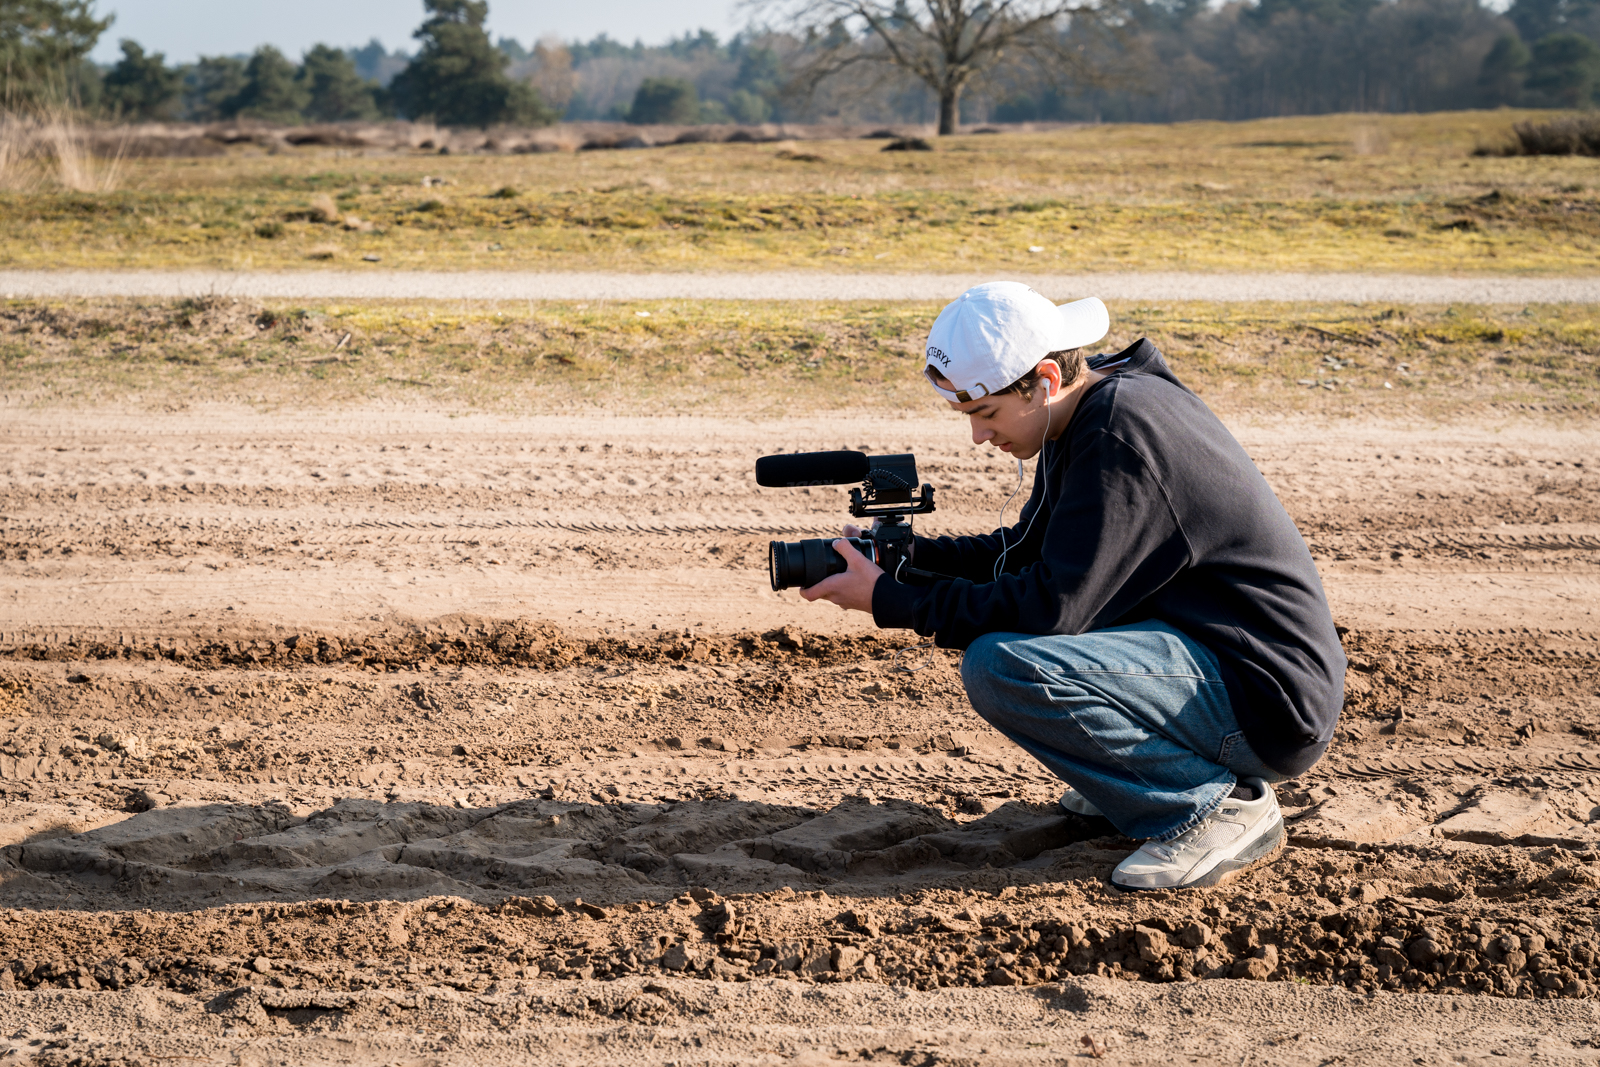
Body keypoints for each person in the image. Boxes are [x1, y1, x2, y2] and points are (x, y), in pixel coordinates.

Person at [799, 281, 1346, 891]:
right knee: (1015, 645)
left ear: (1045, 381)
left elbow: (1053, 608)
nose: (980, 437)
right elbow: (1026, 551)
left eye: (985, 413)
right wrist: (907, 559)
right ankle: (1135, 778)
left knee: (1001, 664)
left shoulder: (1117, 435)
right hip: (1216, 662)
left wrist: (891, 601)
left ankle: (1213, 806)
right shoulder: (1090, 411)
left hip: (1266, 702)